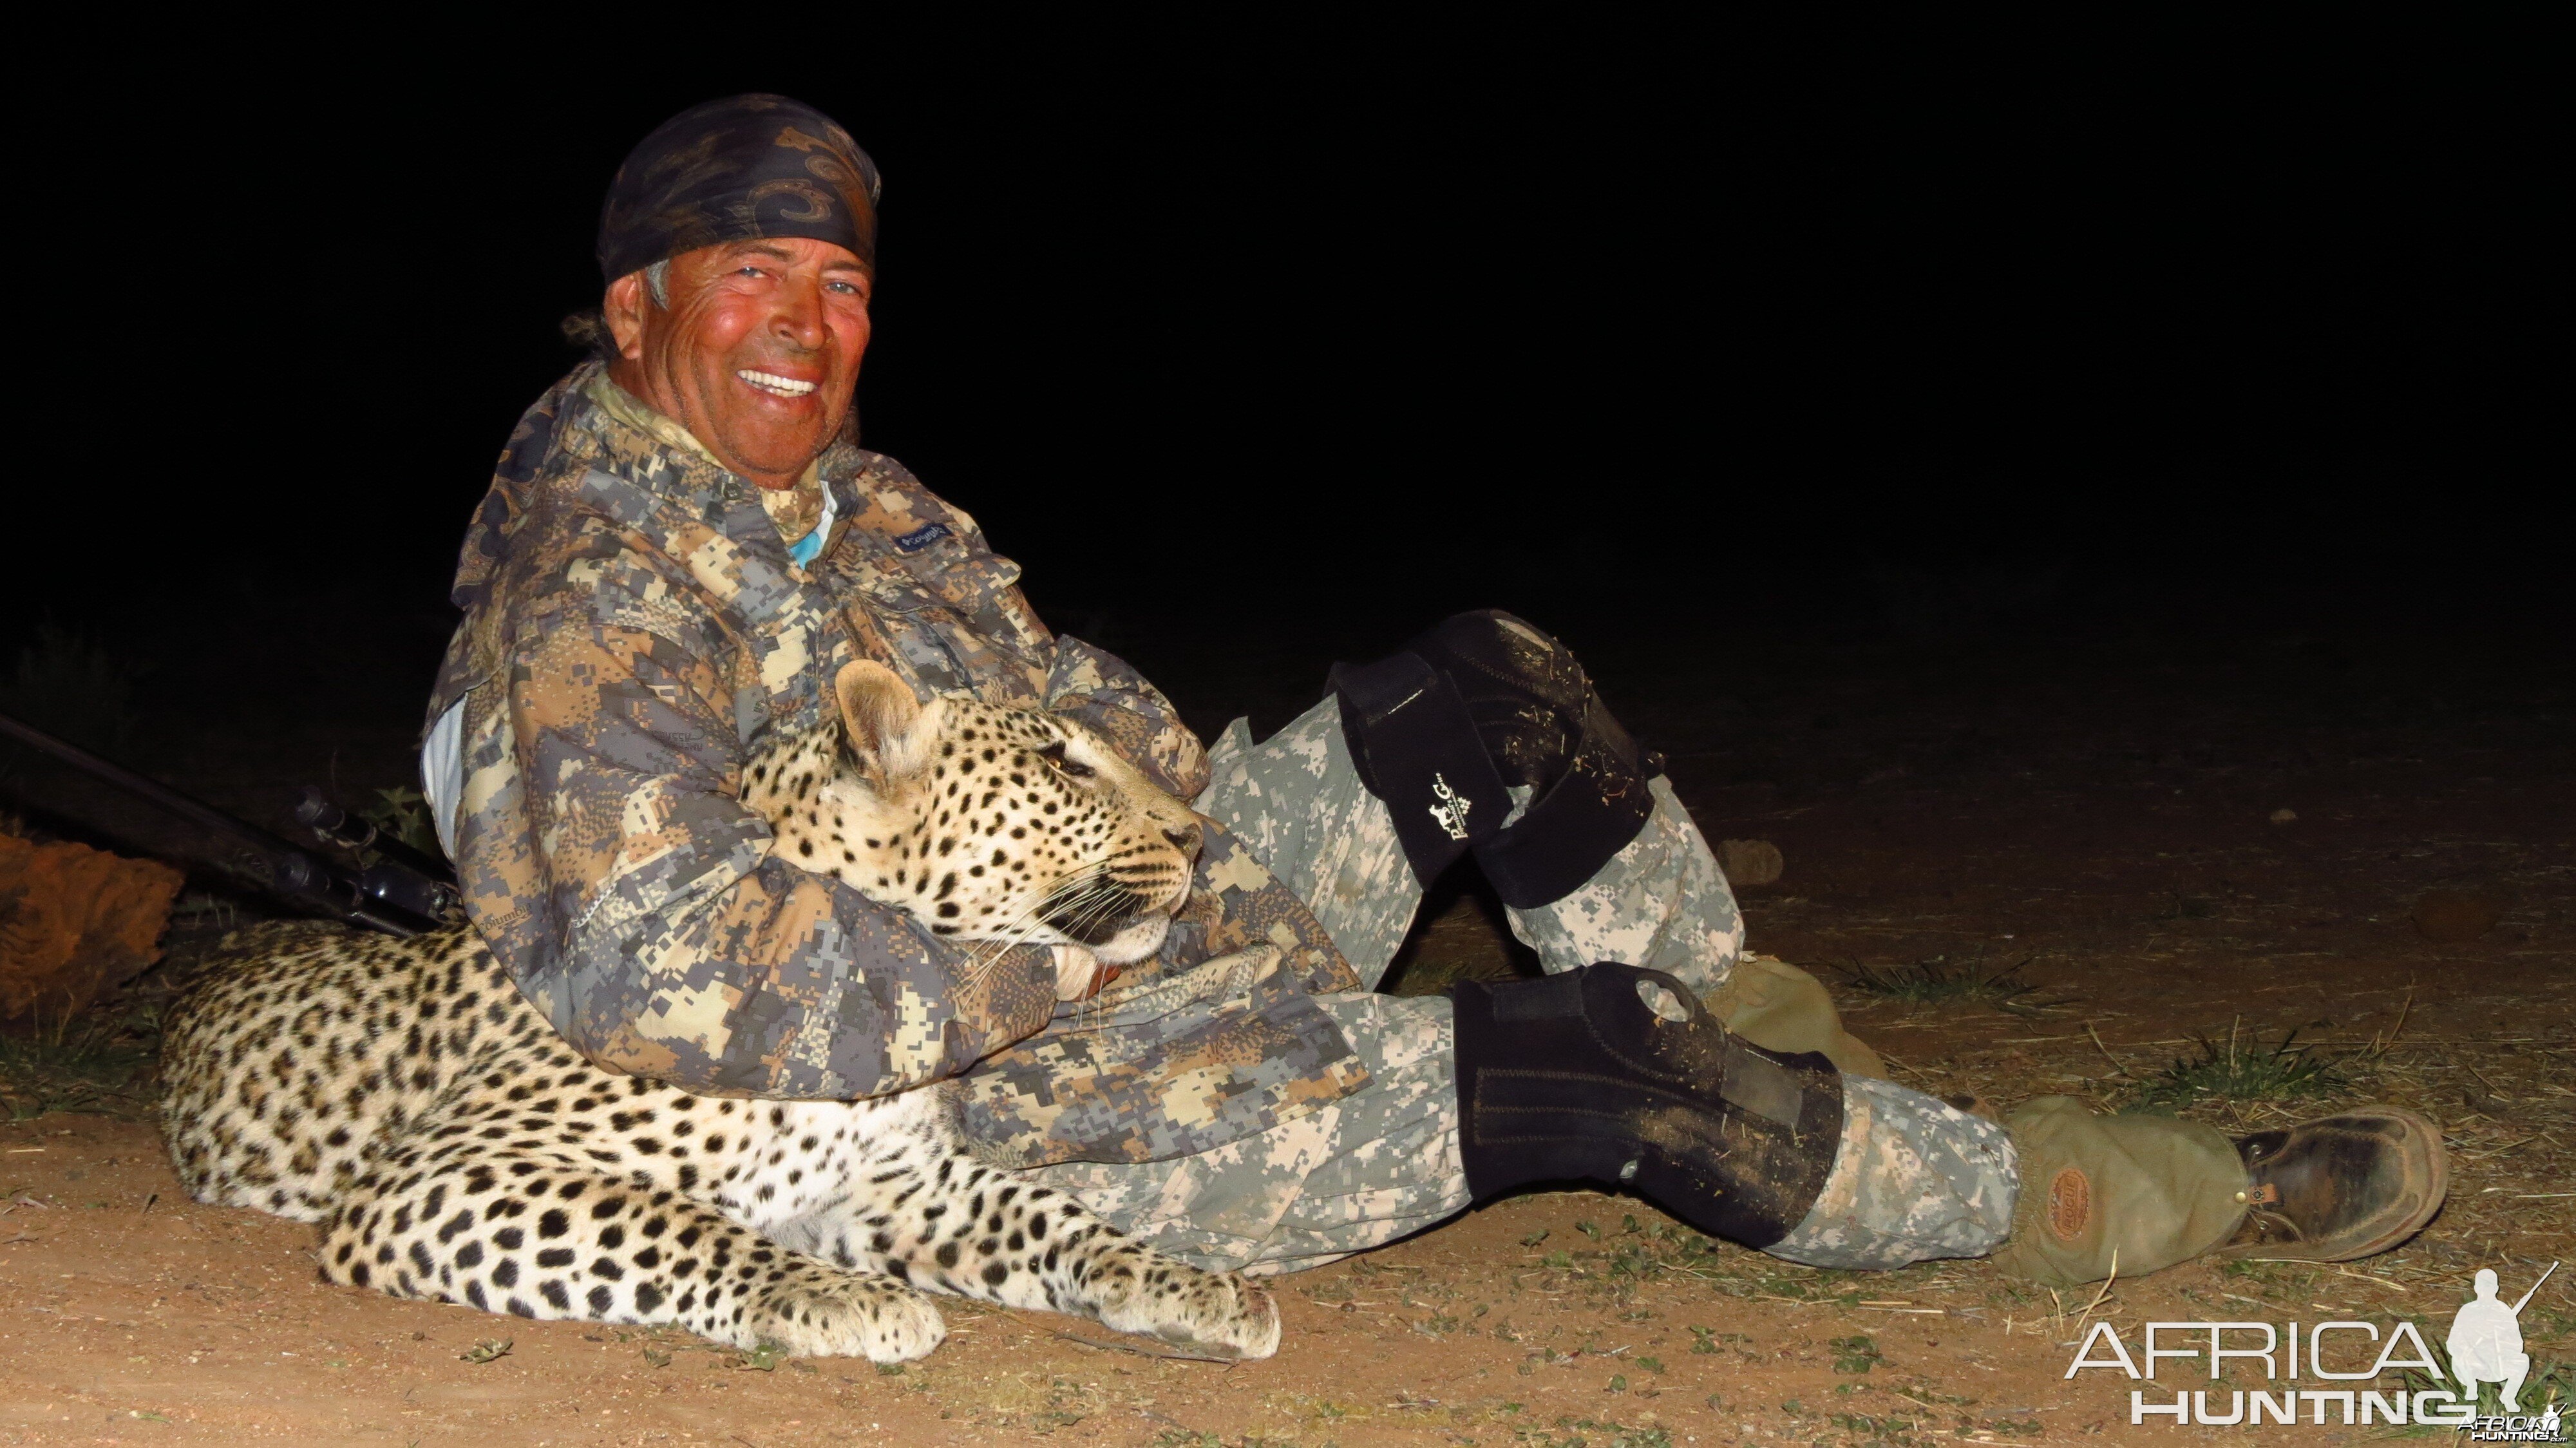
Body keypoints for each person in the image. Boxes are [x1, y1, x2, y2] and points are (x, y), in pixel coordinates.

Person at [422, 92, 2447, 1287]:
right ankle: (2114, 1196)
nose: (807, 322)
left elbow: (1090, 720)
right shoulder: (587, 592)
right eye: (751, 280)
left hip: (1129, 920)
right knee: (1601, 1067)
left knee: (1492, 692)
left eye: (841, 283)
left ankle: (1816, 1091)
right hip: (992, 1108)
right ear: (637, 310)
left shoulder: (863, 515)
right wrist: (1087, 946)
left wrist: (1150, 857)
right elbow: (664, 973)